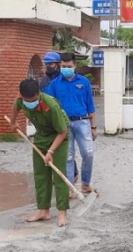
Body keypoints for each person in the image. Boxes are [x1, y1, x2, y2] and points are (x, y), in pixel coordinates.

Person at [7, 79, 70, 227]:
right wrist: (13, 122)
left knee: (59, 174)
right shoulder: (22, 100)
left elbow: (62, 131)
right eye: (26, 100)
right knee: (41, 174)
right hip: (41, 136)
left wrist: (50, 151)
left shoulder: (51, 105)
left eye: (33, 100)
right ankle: (43, 210)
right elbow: (16, 106)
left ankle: (62, 212)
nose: (29, 103)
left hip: (58, 137)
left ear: (38, 94)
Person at [45, 52, 97, 194]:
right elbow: (50, 107)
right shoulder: (54, 85)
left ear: (75, 66)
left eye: (69, 66)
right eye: (63, 66)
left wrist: (93, 127)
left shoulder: (84, 82)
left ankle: (85, 184)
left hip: (82, 122)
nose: (66, 68)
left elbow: (90, 105)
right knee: (68, 157)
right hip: (63, 125)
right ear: (59, 66)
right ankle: (70, 188)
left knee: (88, 153)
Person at [40, 51, 80, 184]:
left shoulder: (63, 79)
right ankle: (56, 174)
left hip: (63, 117)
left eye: (50, 64)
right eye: (46, 64)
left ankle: (72, 174)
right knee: (53, 147)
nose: (48, 66)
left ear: (58, 64)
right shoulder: (44, 81)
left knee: (66, 149)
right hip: (48, 117)